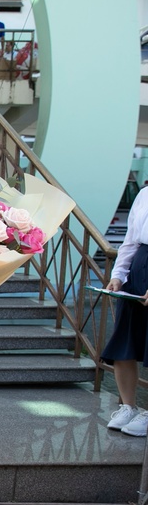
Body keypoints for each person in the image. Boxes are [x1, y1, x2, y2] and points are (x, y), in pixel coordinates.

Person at [101, 186, 148, 436]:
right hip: (138, 272)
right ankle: (128, 406)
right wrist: (118, 276)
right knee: (125, 343)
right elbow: (131, 241)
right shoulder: (144, 193)